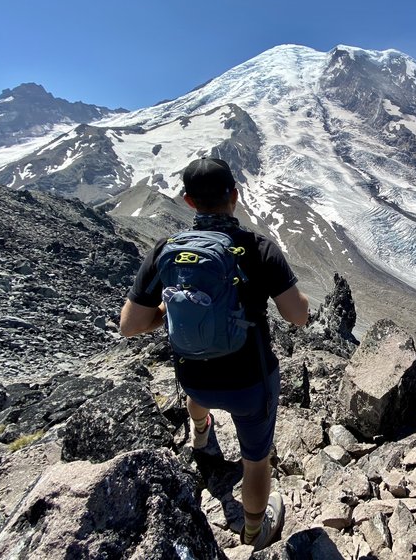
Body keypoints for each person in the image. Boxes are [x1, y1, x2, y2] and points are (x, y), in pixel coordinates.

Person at [119, 156, 309, 551]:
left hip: (195, 380)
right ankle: (256, 531)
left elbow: (130, 325)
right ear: (234, 196)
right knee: (256, 461)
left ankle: (201, 434)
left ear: (187, 201)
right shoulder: (258, 249)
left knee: (198, 370)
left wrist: (168, 314)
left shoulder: (166, 250)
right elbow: (298, 317)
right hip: (248, 383)